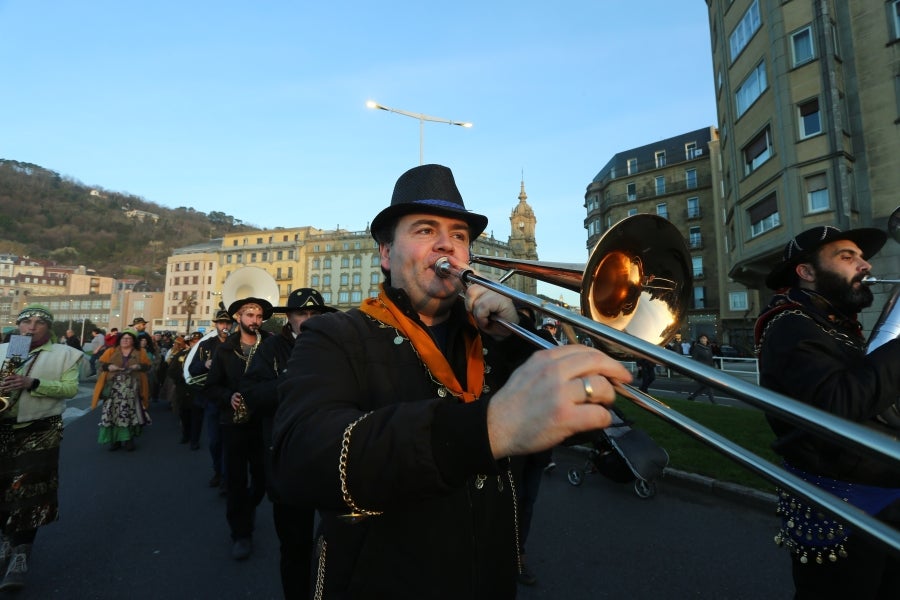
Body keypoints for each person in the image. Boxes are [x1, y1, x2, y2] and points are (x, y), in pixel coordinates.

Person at [272, 164, 630, 597]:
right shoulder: (336, 334)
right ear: (386, 254)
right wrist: (487, 428)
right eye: (425, 230)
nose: (448, 244)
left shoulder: (494, 336)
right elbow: (300, 460)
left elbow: (588, 424)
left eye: (459, 235)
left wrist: (517, 342)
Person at [755, 225, 900, 599]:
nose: (865, 266)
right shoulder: (789, 325)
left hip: (878, 494)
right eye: (847, 257)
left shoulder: (832, 324)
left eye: (862, 257)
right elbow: (837, 405)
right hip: (841, 504)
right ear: (806, 272)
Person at [240, 288, 336, 598]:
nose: (307, 320)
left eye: (313, 314)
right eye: (301, 314)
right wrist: (293, 382)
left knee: (337, 541)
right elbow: (253, 395)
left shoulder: (337, 348)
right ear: (290, 318)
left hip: (331, 459)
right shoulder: (270, 350)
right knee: (294, 547)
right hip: (287, 462)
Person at [0, 305, 83, 592]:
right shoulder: (5, 350)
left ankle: (22, 553)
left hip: (41, 428)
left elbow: (70, 389)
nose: (31, 327)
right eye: (26, 322)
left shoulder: (65, 354)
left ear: (49, 327)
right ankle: (8, 539)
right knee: (3, 489)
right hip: (3, 427)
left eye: (38, 323)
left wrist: (31, 382)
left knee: (30, 492)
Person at [206, 298, 274, 560]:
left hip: (262, 422)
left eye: (258, 315)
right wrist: (228, 397)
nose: (255, 320)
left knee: (261, 480)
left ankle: (248, 507)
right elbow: (211, 387)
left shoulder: (269, 344)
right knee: (235, 481)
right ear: (237, 317)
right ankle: (241, 534)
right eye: (249, 314)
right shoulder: (224, 350)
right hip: (232, 424)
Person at [189, 310, 233, 491]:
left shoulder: (237, 344)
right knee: (215, 441)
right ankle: (218, 471)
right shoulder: (206, 345)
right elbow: (192, 368)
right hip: (213, 399)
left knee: (230, 442)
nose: (224, 326)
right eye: (221, 322)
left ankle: (225, 477)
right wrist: (204, 364)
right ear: (216, 324)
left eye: (227, 323)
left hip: (231, 399)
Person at [91, 329, 152, 451]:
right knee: (112, 413)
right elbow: (99, 364)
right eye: (123, 338)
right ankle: (115, 440)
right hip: (114, 388)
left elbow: (148, 366)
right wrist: (109, 366)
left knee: (130, 414)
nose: (125, 340)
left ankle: (129, 439)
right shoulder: (111, 351)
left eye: (129, 338)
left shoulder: (140, 352)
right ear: (119, 340)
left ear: (133, 341)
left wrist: (138, 366)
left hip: (132, 389)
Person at [168, 333, 202, 448]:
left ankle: (194, 440)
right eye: (193, 341)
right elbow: (171, 371)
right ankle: (185, 435)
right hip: (182, 390)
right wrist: (181, 375)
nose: (195, 343)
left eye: (198, 341)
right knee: (183, 414)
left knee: (196, 416)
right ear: (189, 343)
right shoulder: (181, 355)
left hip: (197, 390)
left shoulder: (205, 356)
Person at [685, 334, 715, 403]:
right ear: (699, 340)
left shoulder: (708, 348)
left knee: (704, 386)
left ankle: (692, 397)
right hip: (700, 370)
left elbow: (710, 360)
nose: (703, 339)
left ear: (707, 339)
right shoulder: (697, 348)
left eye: (704, 338)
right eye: (701, 338)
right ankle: (713, 402)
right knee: (708, 385)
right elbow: (693, 360)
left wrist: (713, 369)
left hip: (708, 370)